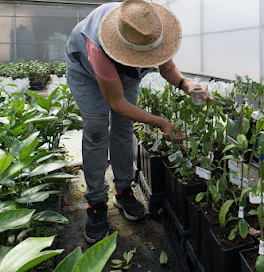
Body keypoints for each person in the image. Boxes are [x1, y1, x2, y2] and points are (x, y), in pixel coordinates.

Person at [65, 0, 213, 243]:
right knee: (96, 131)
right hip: (86, 74)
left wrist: (187, 85)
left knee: (123, 128)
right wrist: (162, 123)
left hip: (125, 74)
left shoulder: (151, 29)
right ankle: (96, 202)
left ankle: (123, 190)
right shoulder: (99, 44)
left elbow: (167, 68)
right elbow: (116, 102)